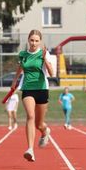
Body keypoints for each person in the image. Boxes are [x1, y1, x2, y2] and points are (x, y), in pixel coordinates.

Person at [11, 30, 54, 162]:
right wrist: (14, 81)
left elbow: (52, 73)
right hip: (28, 89)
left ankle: (45, 131)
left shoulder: (43, 54)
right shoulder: (23, 54)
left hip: (42, 89)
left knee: (39, 124)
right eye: (32, 40)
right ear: (28, 40)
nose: (34, 43)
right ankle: (30, 149)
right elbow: (20, 68)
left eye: (36, 41)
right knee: (30, 115)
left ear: (40, 42)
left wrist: (45, 59)